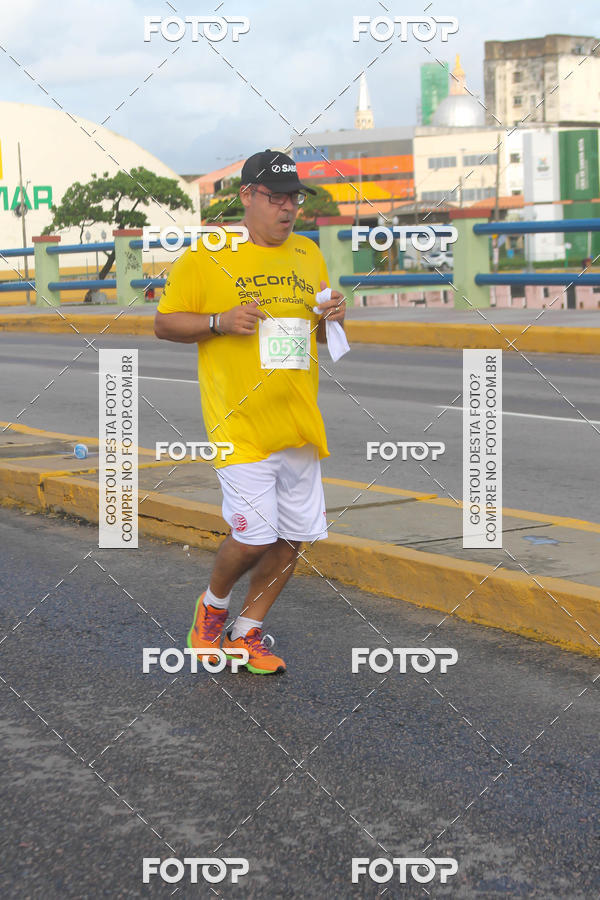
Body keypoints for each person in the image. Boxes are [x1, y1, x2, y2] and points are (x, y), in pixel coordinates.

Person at [154, 149, 346, 675]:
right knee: (255, 535)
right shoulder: (208, 253)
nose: (287, 209)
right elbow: (164, 323)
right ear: (247, 197)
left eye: (293, 199)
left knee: (293, 537)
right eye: (275, 197)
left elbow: (322, 332)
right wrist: (218, 319)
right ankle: (212, 608)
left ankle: (248, 632)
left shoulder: (308, 253)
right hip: (238, 425)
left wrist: (334, 316)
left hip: (298, 421)